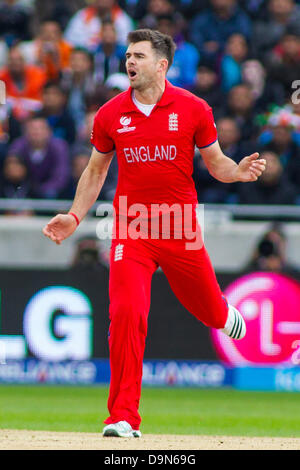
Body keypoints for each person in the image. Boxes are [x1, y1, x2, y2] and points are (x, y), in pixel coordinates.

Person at [43, 29, 266, 438]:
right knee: (127, 313)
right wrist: (74, 217)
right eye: (128, 56)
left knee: (210, 311)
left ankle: (222, 311)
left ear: (162, 65)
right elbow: (95, 171)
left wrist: (236, 172)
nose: (130, 62)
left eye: (139, 56)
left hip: (180, 229)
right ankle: (122, 417)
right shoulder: (110, 114)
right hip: (132, 227)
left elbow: (215, 162)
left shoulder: (194, 108)